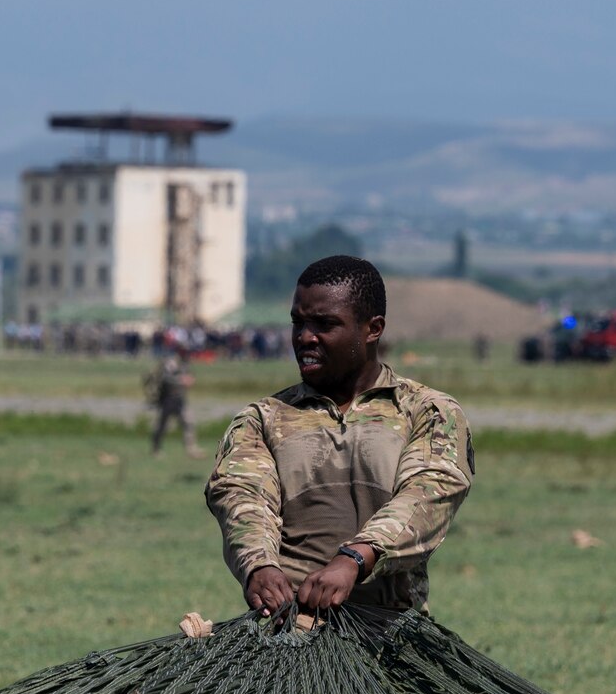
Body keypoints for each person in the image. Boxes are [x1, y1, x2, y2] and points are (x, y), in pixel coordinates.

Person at [206, 254, 473, 616]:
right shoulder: (263, 419)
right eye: (297, 323)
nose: (304, 337)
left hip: (390, 629)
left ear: (372, 329)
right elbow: (242, 497)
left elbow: (429, 493)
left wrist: (354, 559)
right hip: (291, 630)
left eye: (324, 324)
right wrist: (259, 565)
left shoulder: (426, 412)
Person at [148, 348, 199, 457]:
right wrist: (181, 380)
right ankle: (156, 449)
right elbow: (165, 379)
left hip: (180, 399)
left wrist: (190, 380)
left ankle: (191, 449)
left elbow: (189, 376)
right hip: (167, 399)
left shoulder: (185, 364)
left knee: (188, 422)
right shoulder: (170, 363)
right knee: (162, 426)